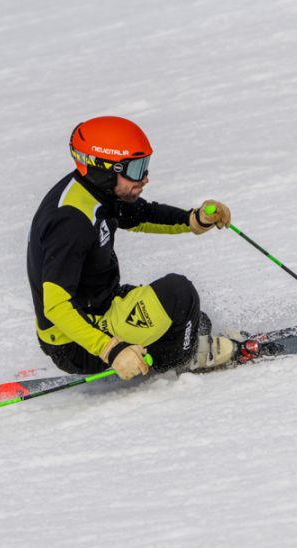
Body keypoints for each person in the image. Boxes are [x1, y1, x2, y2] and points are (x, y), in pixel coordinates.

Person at [27, 116, 241, 380]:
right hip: (73, 343)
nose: (145, 179)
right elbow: (56, 306)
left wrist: (193, 219)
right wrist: (110, 350)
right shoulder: (71, 223)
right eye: (136, 169)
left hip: (101, 306)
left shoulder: (93, 190)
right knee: (180, 295)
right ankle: (188, 357)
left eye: (144, 166)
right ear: (105, 169)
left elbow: (140, 215)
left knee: (192, 319)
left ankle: (173, 344)